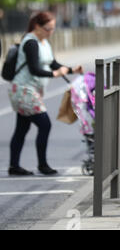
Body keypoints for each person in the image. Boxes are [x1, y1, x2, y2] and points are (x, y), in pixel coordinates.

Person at [7, 11, 83, 176]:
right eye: (48, 29)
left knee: (22, 128)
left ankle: (14, 166)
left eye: (53, 29)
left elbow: (52, 63)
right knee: (44, 124)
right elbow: (35, 69)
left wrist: (71, 70)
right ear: (37, 26)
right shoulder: (31, 43)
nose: (51, 32)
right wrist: (54, 74)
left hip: (31, 90)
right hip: (23, 90)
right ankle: (42, 164)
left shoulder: (44, 43)